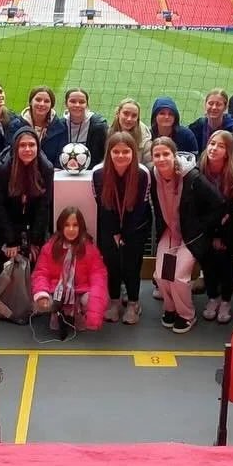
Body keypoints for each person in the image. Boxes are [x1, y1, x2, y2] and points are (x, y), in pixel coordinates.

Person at [149, 137, 223, 334]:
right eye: (157, 155)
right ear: (152, 158)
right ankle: (171, 308)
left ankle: (186, 314)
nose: (161, 158)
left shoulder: (193, 178)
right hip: (170, 232)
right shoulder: (153, 175)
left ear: (174, 156)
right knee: (162, 275)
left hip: (191, 235)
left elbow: (218, 204)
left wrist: (202, 228)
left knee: (179, 277)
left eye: (166, 154)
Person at [92, 132, 152, 324]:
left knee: (131, 266)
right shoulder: (98, 173)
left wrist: (126, 234)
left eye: (125, 152)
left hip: (136, 226)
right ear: (109, 153)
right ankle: (115, 301)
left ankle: (134, 303)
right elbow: (103, 206)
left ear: (133, 153)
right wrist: (115, 233)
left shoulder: (142, 173)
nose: (120, 156)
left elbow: (140, 208)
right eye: (116, 151)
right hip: (109, 227)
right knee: (111, 264)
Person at [31, 206, 108, 335]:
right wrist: (42, 294)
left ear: (81, 227)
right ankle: (57, 313)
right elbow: (41, 273)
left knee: (90, 299)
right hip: (56, 290)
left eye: (75, 225)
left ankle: (79, 314)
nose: (71, 229)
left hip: (81, 291)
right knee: (42, 301)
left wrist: (94, 312)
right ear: (61, 227)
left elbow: (98, 279)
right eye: (67, 225)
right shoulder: (49, 248)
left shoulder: (90, 250)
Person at [197, 130, 233, 324]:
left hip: (231, 228)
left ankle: (226, 300)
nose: (214, 148)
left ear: (228, 151)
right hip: (207, 226)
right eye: (212, 143)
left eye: (220, 146)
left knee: (227, 262)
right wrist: (212, 232)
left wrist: (222, 236)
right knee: (208, 262)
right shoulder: (201, 167)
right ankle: (212, 298)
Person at [0, 126, 54, 258]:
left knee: (38, 258)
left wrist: (35, 241)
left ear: (38, 147)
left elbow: (44, 206)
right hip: (10, 219)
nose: (27, 149)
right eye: (23, 145)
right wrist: (10, 240)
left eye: (32, 145)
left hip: (32, 219)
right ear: (15, 148)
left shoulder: (46, 169)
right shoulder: (2, 169)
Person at [41, 87, 109, 167]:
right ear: (66, 104)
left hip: (90, 172)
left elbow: (104, 155)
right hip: (63, 172)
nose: (77, 105)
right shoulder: (58, 125)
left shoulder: (99, 126)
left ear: (87, 105)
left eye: (81, 102)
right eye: (73, 101)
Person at [111, 98, 151, 163]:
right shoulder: (107, 134)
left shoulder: (145, 141)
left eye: (134, 115)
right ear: (118, 114)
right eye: (126, 113)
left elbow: (150, 165)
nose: (129, 119)